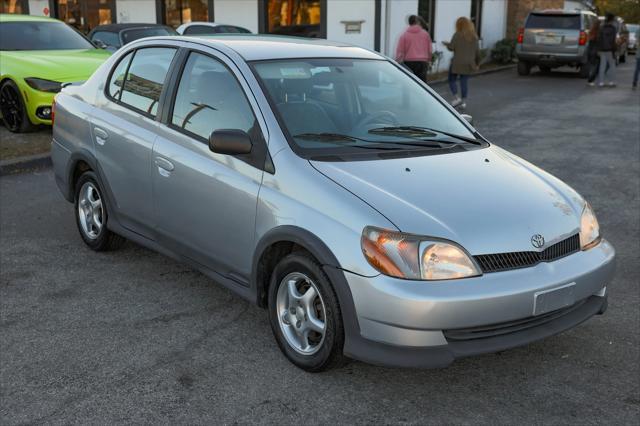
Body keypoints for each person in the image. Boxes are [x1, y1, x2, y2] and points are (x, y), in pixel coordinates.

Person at [442, 17, 480, 109]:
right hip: (469, 63)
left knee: (451, 79)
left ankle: (456, 98)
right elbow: (477, 52)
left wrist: (446, 44)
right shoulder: (474, 37)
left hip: (457, 62)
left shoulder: (457, 35)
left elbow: (451, 47)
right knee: (464, 81)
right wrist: (477, 64)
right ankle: (463, 102)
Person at [395, 15, 433, 82]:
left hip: (409, 63)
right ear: (417, 22)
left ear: (409, 23)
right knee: (422, 85)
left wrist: (398, 61)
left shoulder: (404, 35)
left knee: (409, 83)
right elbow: (429, 50)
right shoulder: (425, 34)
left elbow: (400, 50)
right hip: (422, 63)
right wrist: (429, 60)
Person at [597, 13, 618, 87]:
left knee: (602, 65)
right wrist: (615, 50)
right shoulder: (613, 28)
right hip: (610, 49)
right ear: (612, 20)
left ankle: (601, 82)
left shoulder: (601, 27)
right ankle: (611, 82)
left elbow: (599, 39)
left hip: (602, 49)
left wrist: (598, 49)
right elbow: (613, 40)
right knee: (612, 66)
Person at [586, 19, 600, 86]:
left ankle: (589, 78)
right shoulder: (599, 33)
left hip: (590, 50)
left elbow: (588, 40)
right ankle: (591, 80)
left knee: (590, 65)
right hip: (596, 51)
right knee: (596, 66)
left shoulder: (591, 31)